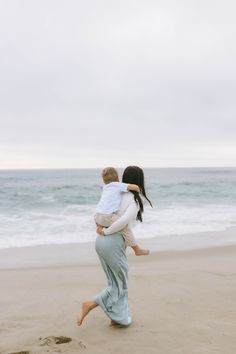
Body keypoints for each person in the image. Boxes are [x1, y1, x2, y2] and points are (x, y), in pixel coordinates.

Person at [77, 166, 152, 327]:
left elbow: (103, 211)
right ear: (140, 180)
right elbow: (124, 222)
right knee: (120, 284)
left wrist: (103, 230)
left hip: (101, 242)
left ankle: (116, 317)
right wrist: (107, 231)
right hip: (112, 241)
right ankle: (90, 304)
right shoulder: (134, 199)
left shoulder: (116, 192)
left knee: (115, 282)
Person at [94, 167, 149, 256]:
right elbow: (123, 221)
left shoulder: (112, 191)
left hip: (99, 240)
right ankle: (137, 249)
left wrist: (100, 228)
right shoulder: (131, 196)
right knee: (125, 227)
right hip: (113, 244)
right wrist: (105, 232)